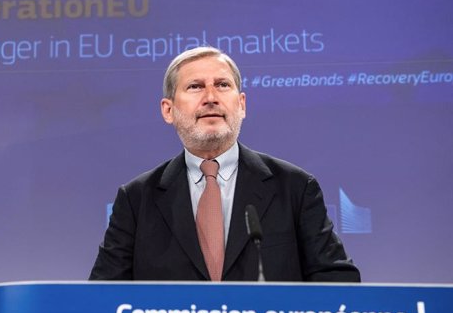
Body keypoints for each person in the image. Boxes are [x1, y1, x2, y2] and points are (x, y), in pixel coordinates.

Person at [89, 46, 360, 282]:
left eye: (222, 85)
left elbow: (337, 283)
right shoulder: (136, 199)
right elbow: (100, 298)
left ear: (241, 104)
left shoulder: (295, 187)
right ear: (168, 110)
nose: (210, 97)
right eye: (195, 86)